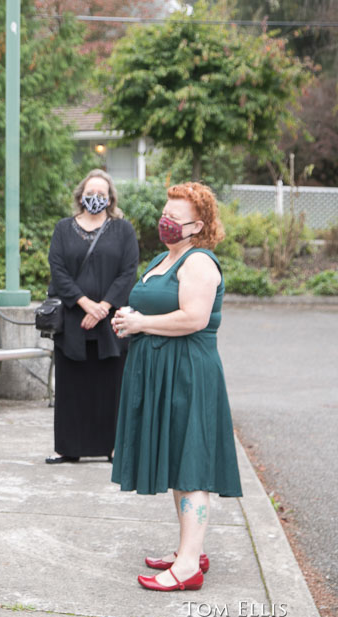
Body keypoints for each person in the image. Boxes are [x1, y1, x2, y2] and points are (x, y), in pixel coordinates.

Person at [111, 182, 242, 593]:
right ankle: (190, 549)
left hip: (187, 372)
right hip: (160, 371)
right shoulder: (165, 258)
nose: (164, 221)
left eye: (174, 216)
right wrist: (129, 315)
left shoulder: (200, 262)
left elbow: (194, 318)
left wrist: (140, 323)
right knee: (177, 464)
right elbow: (156, 303)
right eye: (164, 212)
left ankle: (188, 568)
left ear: (197, 225)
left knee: (192, 467)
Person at [45, 169, 139, 464]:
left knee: (109, 386)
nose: (95, 198)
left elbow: (128, 272)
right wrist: (86, 304)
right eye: (90, 193)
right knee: (72, 387)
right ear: (80, 195)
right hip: (73, 320)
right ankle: (68, 448)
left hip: (109, 322)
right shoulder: (63, 228)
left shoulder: (123, 229)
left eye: (101, 194)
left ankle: (112, 448)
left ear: (110, 198)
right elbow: (57, 270)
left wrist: (103, 307)